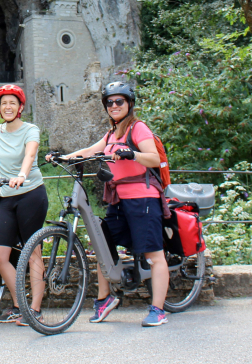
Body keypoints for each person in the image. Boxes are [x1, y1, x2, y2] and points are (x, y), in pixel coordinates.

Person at [53, 81, 169, 327]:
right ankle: (105, 299)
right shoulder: (111, 134)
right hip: (118, 200)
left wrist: (132, 154)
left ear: (129, 104)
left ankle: (158, 309)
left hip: (143, 199)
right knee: (103, 245)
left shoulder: (138, 129)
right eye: (110, 102)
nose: (114, 105)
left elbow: (155, 158)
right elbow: (89, 151)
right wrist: (62, 157)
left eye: (119, 101)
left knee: (154, 254)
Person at [0, 84, 48, 327]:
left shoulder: (30, 129)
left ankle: (34, 309)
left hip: (30, 194)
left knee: (32, 252)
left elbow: (30, 155)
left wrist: (22, 175)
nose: (8, 107)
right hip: (7, 196)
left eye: (13, 103)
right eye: (4, 103)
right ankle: (19, 304)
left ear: (20, 107)